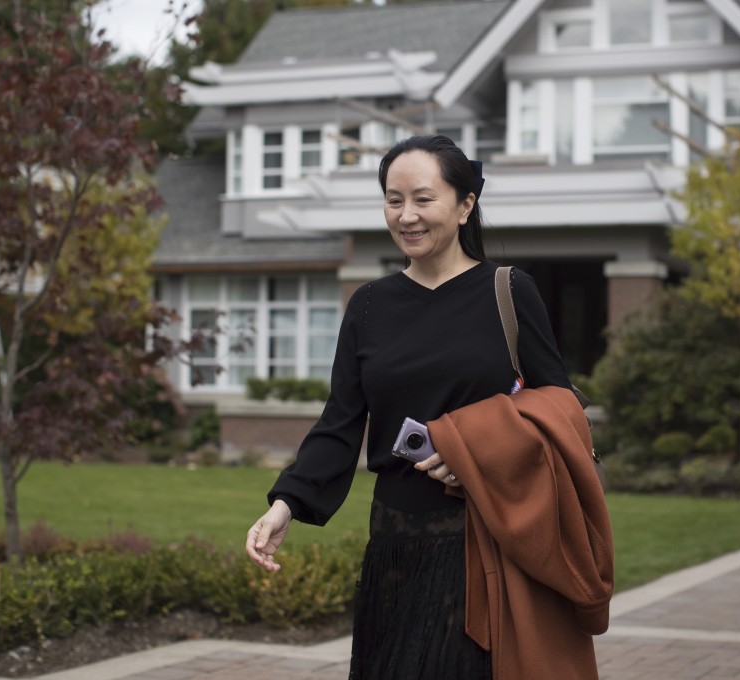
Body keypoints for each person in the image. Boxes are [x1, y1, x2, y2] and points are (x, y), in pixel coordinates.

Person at [245, 134, 611, 679]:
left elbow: (560, 407)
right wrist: (286, 504)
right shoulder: (369, 306)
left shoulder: (507, 292)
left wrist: (478, 448)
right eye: (394, 200)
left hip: (484, 540)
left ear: (465, 206)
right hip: (393, 547)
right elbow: (341, 422)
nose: (407, 215)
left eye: (423, 198)